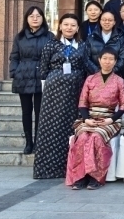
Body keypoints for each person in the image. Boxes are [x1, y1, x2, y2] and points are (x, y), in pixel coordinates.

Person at [33, 13, 88, 179]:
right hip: (54, 94)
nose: (69, 28)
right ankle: (47, 169)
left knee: (71, 126)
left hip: (75, 91)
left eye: (73, 25)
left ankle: (69, 167)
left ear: (77, 28)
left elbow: (86, 66)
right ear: (60, 26)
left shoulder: (82, 45)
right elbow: (43, 69)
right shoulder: (51, 45)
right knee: (51, 128)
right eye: (66, 24)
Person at [66, 49, 124, 190]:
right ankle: (80, 176)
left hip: (109, 119)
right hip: (90, 118)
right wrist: (86, 119)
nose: (107, 62)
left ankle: (95, 177)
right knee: (82, 137)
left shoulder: (119, 81)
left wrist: (111, 119)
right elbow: (82, 102)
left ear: (115, 62)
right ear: (99, 60)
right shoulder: (90, 79)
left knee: (96, 137)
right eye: (104, 58)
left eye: (111, 59)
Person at [9, 5, 55, 155]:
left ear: (43, 18)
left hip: (42, 76)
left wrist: (51, 74)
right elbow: (14, 57)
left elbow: (54, 56)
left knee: (40, 111)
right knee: (26, 111)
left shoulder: (49, 36)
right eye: (31, 16)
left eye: (38, 16)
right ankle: (29, 142)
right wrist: (14, 72)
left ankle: (38, 142)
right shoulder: (20, 37)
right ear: (27, 19)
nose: (35, 19)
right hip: (23, 76)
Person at [84, 11, 124, 79]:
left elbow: (123, 59)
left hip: (115, 77)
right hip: (94, 77)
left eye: (110, 20)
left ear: (114, 22)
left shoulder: (120, 38)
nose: (107, 22)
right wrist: (99, 73)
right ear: (100, 21)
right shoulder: (91, 37)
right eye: (104, 20)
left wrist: (110, 73)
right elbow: (86, 59)